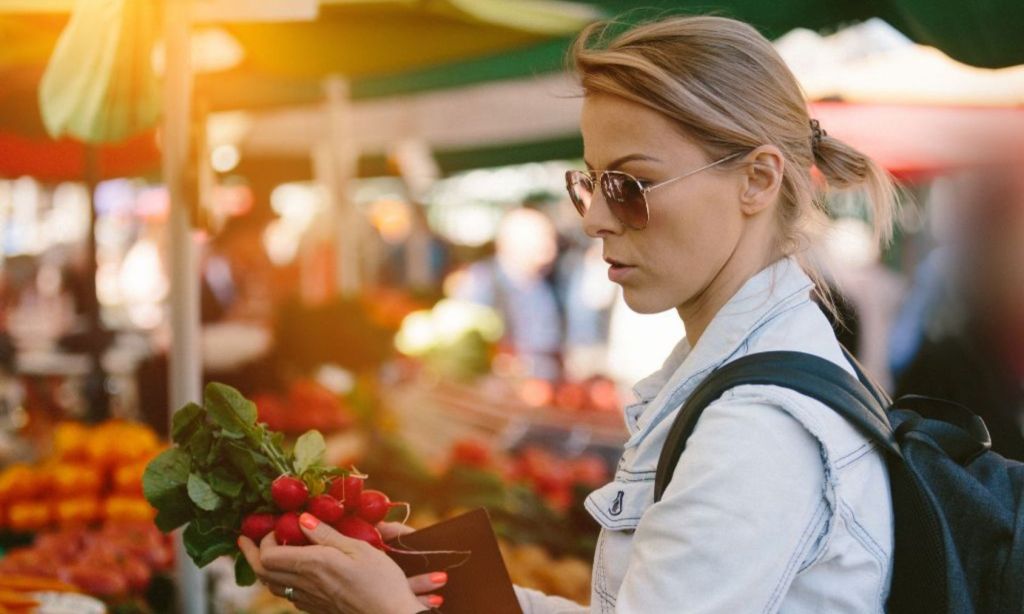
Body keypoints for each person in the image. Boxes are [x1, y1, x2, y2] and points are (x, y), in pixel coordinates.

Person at [239, 15, 898, 613]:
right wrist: (442, 590)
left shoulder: (753, 430)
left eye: (629, 186)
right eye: (589, 182)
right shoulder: (743, 377)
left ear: (757, 179)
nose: (595, 219)